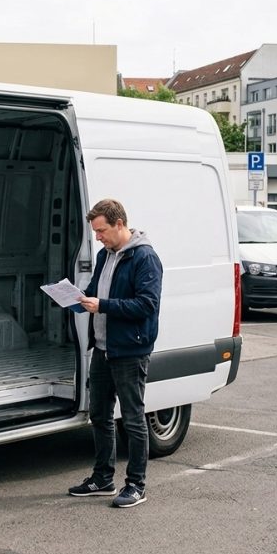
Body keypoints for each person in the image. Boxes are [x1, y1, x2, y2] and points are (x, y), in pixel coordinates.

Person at [68, 198, 163, 508]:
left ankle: (136, 485)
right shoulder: (104, 255)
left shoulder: (144, 257)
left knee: (133, 420)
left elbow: (147, 305)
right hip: (102, 348)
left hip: (130, 350)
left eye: (102, 231)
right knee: (99, 415)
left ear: (119, 224)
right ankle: (102, 479)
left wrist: (103, 305)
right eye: (95, 232)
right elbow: (96, 292)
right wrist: (77, 298)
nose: (98, 237)